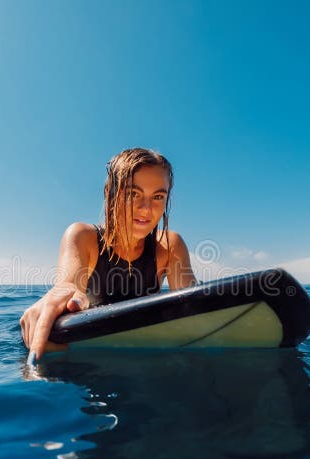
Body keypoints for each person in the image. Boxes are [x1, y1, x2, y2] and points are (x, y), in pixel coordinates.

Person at [21, 148, 197, 363]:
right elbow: (68, 285)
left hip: (146, 352)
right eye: (133, 194)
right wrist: (62, 296)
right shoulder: (83, 236)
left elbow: (193, 306)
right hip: (93, 353)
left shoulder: (169, 246)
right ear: (110, 194)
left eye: (158, 196)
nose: (146, 208)